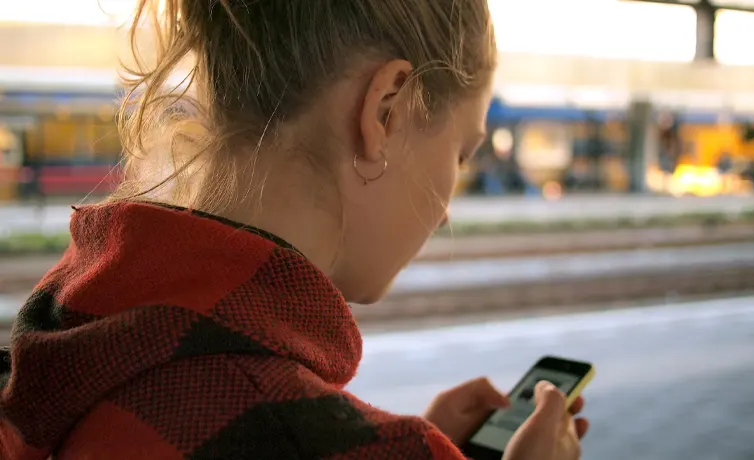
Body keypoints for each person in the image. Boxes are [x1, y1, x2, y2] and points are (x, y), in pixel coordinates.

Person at [0, 0, 589, 458]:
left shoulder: (61, 345)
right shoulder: (304, 435)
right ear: (387, 110)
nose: (444, 211)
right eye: (461, 154)